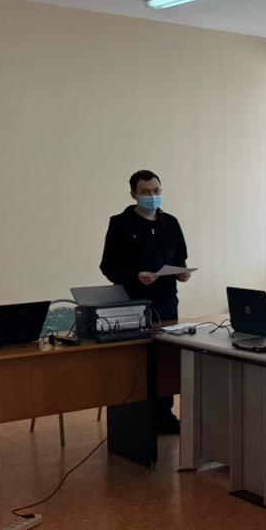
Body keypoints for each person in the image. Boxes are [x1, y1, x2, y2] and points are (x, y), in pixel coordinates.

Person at [100, 169, 191, 434]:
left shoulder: (171, 223)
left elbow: (180, 258)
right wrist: (136, 276)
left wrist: (182, 272)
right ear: (133, 194)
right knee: (135, 360)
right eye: (145, 192)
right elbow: (109, 266)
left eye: (156, 191)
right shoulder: (120, 224)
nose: (152, 196)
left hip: (166, 302)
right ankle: (137, 417)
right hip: (133, 302)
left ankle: (164, 415)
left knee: (165, 358)